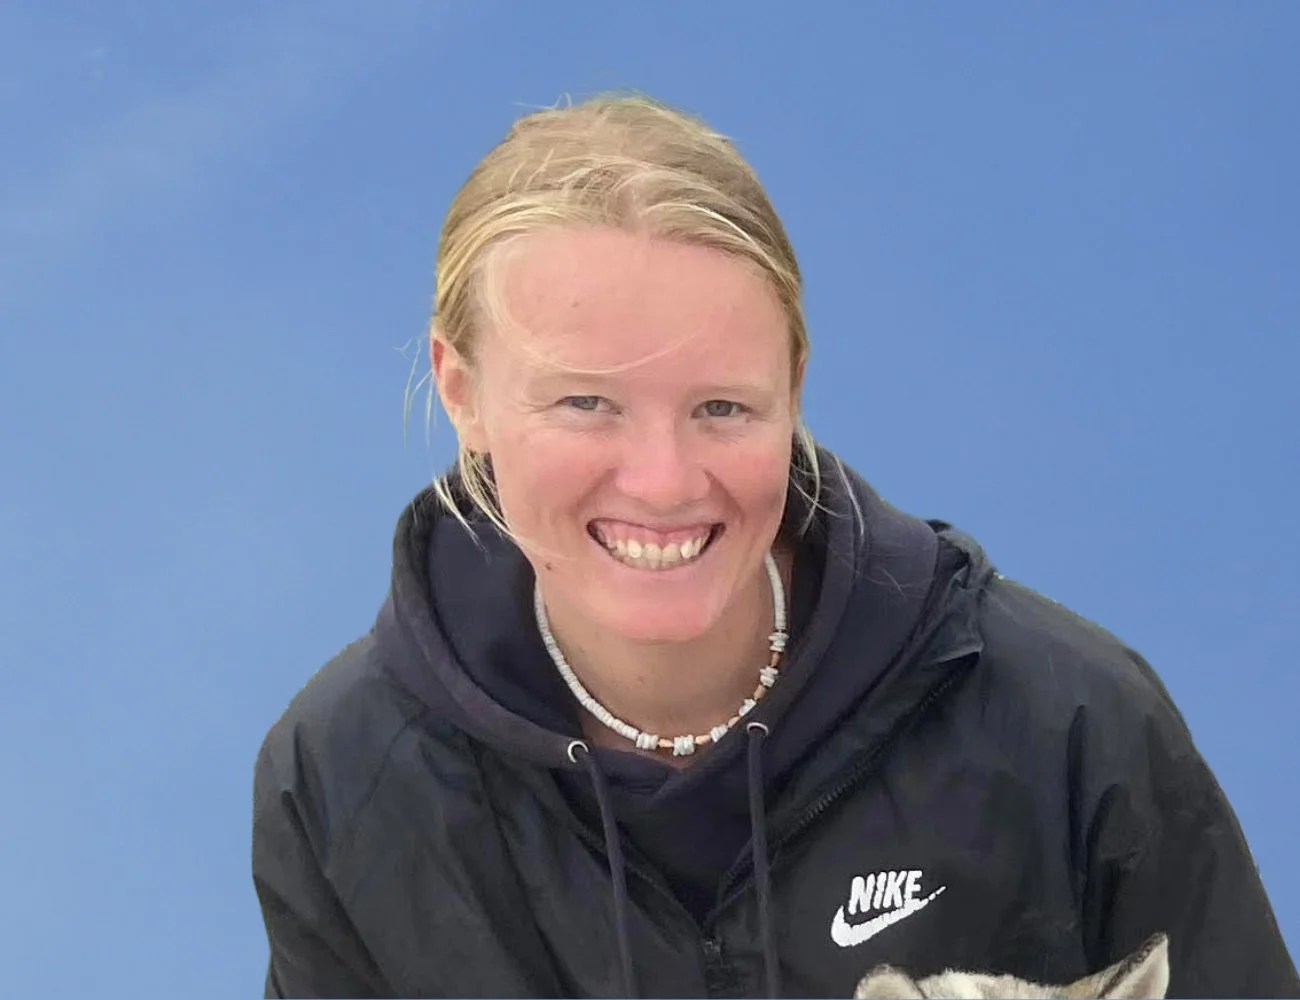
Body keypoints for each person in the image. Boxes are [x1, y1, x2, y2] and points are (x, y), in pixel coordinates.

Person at [250, 93, 1298, 999]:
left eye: (721, 407)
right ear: (461, 389)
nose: (663, 481)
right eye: (584, 403)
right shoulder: (344, 782)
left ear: (793, 387)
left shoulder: (1064, 726)